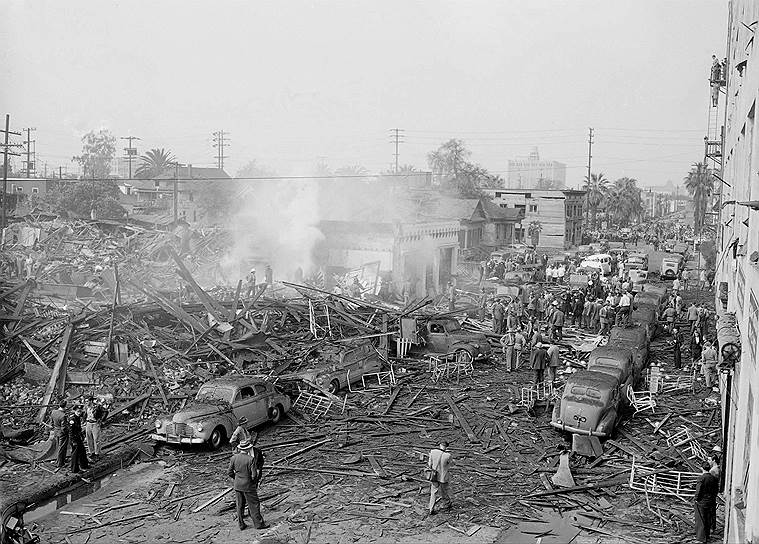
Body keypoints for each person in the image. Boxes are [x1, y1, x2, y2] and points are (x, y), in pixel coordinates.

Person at [227, 439, 268, 530]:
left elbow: (229, 472)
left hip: (238, 485)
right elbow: (254, 475)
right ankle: (259, 524)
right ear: (248, 448)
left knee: (240, 505)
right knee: (254, 504)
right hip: (248, 485)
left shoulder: (234, 458)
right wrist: (252, 482)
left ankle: (241, 524)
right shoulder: (250, 459)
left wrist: (236, 478)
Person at [694, 460, 719, 543]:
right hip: (711, 501)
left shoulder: (701, 478)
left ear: (702, 468)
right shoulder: (714, 478)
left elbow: (698, 490)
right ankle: (707, 536)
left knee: (701, 519)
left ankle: (702, 538)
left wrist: (696, 499)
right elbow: (716, 490)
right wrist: (713, 498)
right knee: (708, 518)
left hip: (702, 501)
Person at [427, 441, 453, 515]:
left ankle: (431, 508)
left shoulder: (432, 452)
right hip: (443, 477)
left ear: (440, 445)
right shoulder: (448, 455)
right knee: (444, 491)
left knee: (433, 492)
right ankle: (446, 505)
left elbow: (429, 464)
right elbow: (452, 464)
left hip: (434, 476)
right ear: (447, 447)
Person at [69, 405, 90, 474]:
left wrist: (82, 436)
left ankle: (84, 465)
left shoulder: (78, 417)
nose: (79, 413)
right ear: (75, 411)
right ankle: (75, 469)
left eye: (80, 411)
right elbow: (70, 431)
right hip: (74, 438)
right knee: (75, 454)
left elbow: (79, 429)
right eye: (78, 411)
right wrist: (73, 441)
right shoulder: (72, 419)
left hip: (78, 437)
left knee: (82, 451)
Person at [51, 399, 69, 469]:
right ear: (65, 406)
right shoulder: (63, 415)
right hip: (62, 433)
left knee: (59, 447)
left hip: (56, 432)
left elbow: (52, 423)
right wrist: (68, 432)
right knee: (62, 448)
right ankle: (60, 463)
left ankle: (61, 460)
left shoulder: (53, 412)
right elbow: (64, 428)